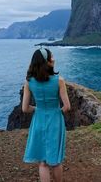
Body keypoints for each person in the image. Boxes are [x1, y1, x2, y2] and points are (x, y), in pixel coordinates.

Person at [22, 47, 71, 182]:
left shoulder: (29, 81)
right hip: (55, 120)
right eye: (52, 56)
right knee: (55, 161)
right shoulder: (59, 80)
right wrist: (57, 111)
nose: (54, 58)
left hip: (38, 119)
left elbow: (25, 109)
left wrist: (38, 109)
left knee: (43, 163)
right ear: (46, 61)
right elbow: (67, 107)